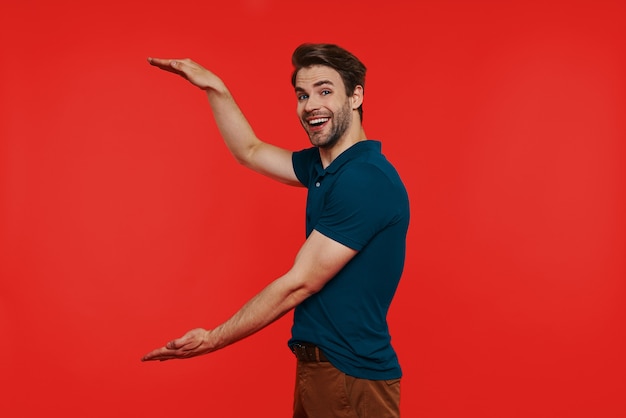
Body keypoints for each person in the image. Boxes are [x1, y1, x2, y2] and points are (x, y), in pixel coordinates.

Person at [142, 43, 410, 417]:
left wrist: (212, 339)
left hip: (350, 377)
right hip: (322, 372)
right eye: (302, 94)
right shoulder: (326, 167)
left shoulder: (364, 180)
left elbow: (300, 283)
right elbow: (250, 151)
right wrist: (216, 88)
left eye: (325, 91)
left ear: (356, 96)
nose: (310, 104)